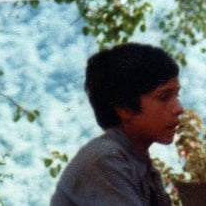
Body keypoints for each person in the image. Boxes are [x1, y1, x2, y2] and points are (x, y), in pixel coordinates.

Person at [50, 42, 183, 205]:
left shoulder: (140, 165)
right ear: (125, 109)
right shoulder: (105, 159)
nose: (178, 109)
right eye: (164, 97)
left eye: (177, 95)